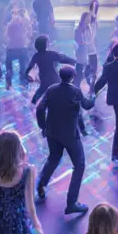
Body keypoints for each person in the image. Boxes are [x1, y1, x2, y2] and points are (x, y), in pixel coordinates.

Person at [36, 65, 95, 214]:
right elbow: (87, 106)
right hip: (69, 134)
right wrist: (93, 96)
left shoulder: (51, 89)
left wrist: (43, 126)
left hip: (52, 132)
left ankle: (41, 185)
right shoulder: (75, 91)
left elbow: (40, 108)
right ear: (73, 77)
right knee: (79, 165)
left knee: (54, 158)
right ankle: (71, 203)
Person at [25, 35, 79, 104]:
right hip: (54, 78)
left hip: (44, 78)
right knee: (61, 93)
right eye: (48, 41)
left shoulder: (36, 55)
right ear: (45, 44)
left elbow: (30, 67)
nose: (50, 42)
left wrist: (27, 75)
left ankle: (32, 106)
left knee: (40, 92)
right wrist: (75, 61)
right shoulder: (51, 54)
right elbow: (63, 59)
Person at [4, 7, 32, 89]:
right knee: (23, 65)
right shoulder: (24, 24)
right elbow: (30, 35)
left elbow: (6, 37)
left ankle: (8, 83)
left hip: (11, 48)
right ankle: (24, 84)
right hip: (22, 48)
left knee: (8, 66)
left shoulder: (9, 25)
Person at [75, 11, 99, 88]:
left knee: (93, 73)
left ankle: (91, 89)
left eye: (90, 17)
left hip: (92, 52)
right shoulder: (79, 29)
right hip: (83, 54)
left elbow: (92, 40)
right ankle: (78, 88)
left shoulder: (90, 28)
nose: (89, 18)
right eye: (88, 17)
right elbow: (80, 42)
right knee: (81, 74)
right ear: (84, 18)